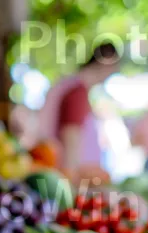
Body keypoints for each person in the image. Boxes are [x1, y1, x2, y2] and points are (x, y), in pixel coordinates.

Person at [39, 43, 120, 184]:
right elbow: (70, 137)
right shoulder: (77, 92)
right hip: (69, 176)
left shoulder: (70, 85)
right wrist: (73, 182)